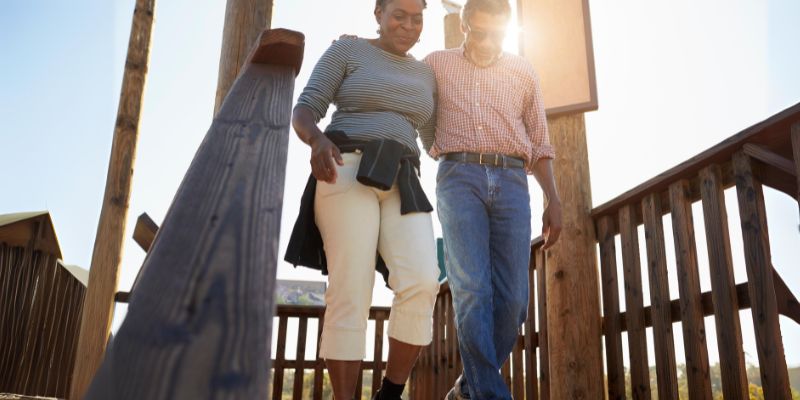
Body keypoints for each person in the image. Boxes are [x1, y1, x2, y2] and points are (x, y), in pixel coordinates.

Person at [284, 0, 440, 399]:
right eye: (398, 15)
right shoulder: (347, 50)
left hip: (403, 177)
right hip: (345, 166)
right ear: (378, 15)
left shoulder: (426, 74)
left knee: (423, 280)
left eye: (416, 18)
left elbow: (436, 141)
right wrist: (317, 139)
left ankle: (389, 394)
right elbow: (305, 110)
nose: (408, 25)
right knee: (351, 289)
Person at [419, 0, 562, 398]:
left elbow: (540, 143)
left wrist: (554, 197)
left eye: (495, 33)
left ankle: (468, 390)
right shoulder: (436, 63)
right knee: (472, 291)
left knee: (515, 299)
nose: (486, 41)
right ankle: (490, 395)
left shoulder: (523, 70)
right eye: (477, 31)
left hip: (513, 180)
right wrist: (365, 46)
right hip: (458, 176)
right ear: (463, 26)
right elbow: (409, 98)